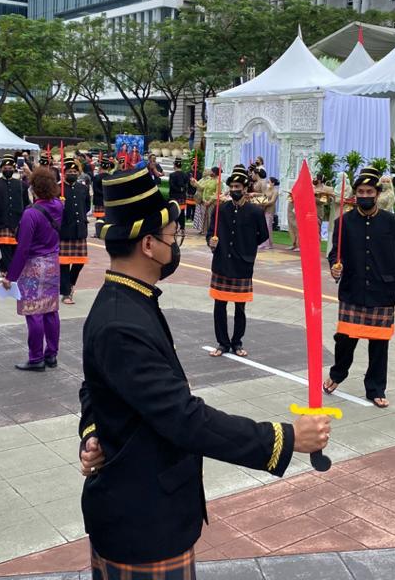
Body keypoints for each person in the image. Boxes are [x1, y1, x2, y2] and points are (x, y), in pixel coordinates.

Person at [77, 169, 329, 574]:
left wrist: (93, 435)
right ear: (148, 245)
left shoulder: (129, 302)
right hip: (143, 520)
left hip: (145, 509)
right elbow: (185, 419)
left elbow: (96, 387)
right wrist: (285, 438)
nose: (175, 244)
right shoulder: (122, 322)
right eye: (172, 236)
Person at [324, 167, 395, 408]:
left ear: (377, 193)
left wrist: (385, 270)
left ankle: (376, 388)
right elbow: (335, 253)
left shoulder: (393, 223)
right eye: (360, 191)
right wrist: (335, 266)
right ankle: (338, 374)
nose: (365, 195)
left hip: (382, 290)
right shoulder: (344, 222)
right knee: (344, 339)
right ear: (355, 193)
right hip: (352, 288)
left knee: (379, 344)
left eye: (369, 191)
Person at [2, 167, 63, 371]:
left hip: (34, 265)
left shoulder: (31, 213)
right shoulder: (58, 205)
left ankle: (36, 358)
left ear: (34, 189)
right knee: (51, 310)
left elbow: (23, 248)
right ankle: (51, 354)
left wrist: (11, 276)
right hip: (52, 262)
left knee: (34, 312)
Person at [206, 166, 269, 357]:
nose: (234, 190)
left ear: (245, 188)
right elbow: (210, 232)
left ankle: (237, 343)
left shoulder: (255, 211)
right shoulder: (220, 209)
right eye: (232, 186)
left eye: (238, 187)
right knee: (219, 306)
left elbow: (263, 235)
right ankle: (222, 343)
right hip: (221, 263)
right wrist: (211, 241)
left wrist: (247, 247)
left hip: (243, 264)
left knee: (240, 308)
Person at [0, 155, 31, 274]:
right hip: (2, 220)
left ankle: (3, 266)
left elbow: (27, 203)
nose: (8, 170)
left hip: (18, 221)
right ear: (1, 169)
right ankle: (11, 272)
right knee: (5, 247)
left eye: (10, 168)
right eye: (5, 168)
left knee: (15, 249)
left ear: (14, 169)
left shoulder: (21, 184)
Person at [59, 158, 90, 305]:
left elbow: (87, 206)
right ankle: (66, 293)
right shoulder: (57, 189)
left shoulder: (83, 188)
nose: (72, 173)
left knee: (80, 262)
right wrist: (59, 205)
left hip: (80, 230)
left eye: (74, 171)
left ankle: (70, 284)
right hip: (64, 230)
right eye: (69, 171)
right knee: (64, 264)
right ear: (64, 173)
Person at [167, 158, 192, 229]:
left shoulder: (172, 175)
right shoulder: (185, 175)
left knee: (174, 212)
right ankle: (182, 228)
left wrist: (178, 189)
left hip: (174, 196)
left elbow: (171, 185)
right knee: (182, 212)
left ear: (175, 165)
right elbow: (187, 185)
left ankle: (174, 227)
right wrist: (182, 189)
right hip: (182, 196)